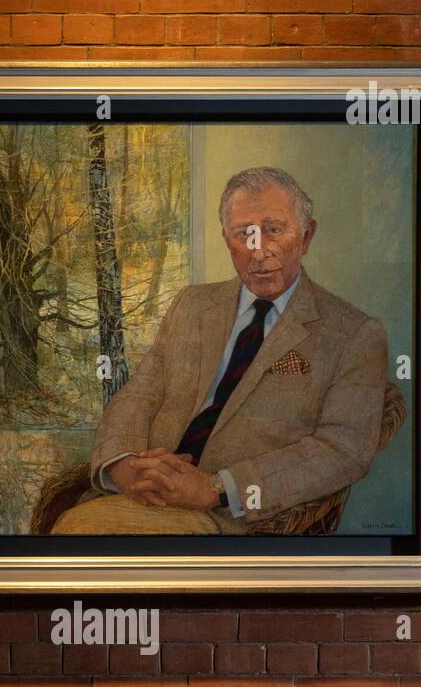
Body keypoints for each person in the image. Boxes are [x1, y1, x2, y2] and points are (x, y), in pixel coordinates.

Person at [51, 165, 390, 535]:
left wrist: (217, 488)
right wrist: (124, 464)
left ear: (306, 236)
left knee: (78, 534)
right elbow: (141, 392)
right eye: (244, 234)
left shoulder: (354, 333)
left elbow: (342, 450)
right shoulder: (193, 304)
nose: (258, 251)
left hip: (233, 519)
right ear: (226, 239)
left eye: (274, 230)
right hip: (145, 497)